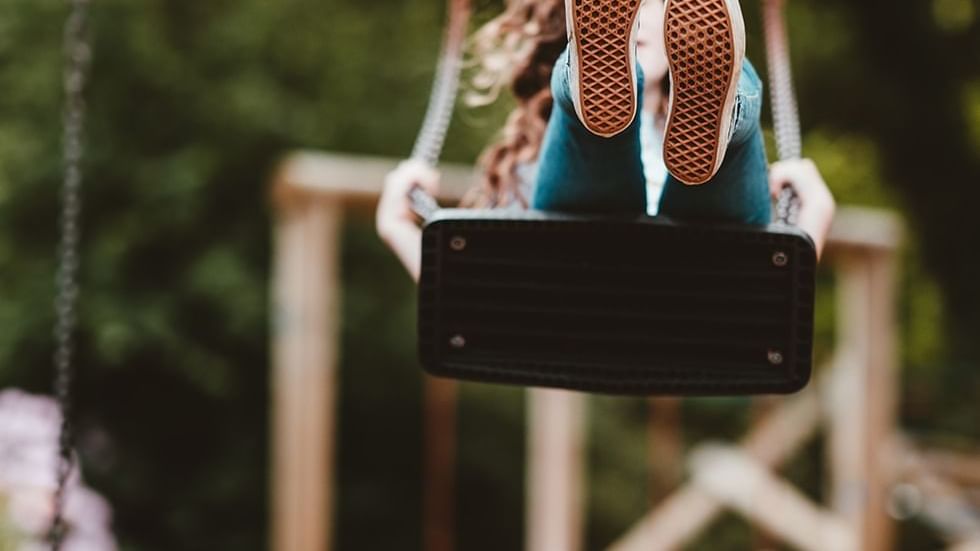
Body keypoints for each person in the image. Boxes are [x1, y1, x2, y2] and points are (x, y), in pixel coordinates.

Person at [377, 0, 835, 281]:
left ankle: (724, 112)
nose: (636, 14)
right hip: (681, 283)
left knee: (722, 154)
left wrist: (399, 228)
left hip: (705, 255)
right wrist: (810, 227)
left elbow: (469, 309)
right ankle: (589, 89)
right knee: (584, 134)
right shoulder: (530, 156)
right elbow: (484, 303)